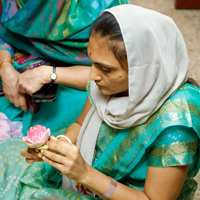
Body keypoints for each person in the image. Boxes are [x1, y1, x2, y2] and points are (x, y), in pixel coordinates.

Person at [0, 4, 200, 200]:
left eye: (105, 69)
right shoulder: (109, 86)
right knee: (6, 155)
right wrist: (58, 148)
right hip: (89, 174)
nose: (92, 76)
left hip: (117, 190)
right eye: (92, 62)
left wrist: (85, 174)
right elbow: (80, 124)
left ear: (143, 70)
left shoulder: (176, 124)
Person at [0, 0, 129, 138]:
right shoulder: (16, 2)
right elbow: (4, 30)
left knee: (94, 104)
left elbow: (115, 74)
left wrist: (50, 74)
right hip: (14, 74)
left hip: (76, 84)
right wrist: (5, 68)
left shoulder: (106, 8)